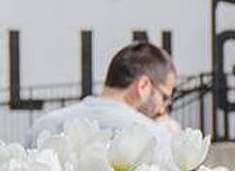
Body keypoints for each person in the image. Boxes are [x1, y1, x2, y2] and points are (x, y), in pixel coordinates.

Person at [31, 42, 179, 161]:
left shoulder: (44, 126)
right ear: (143, 85)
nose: (163, 108)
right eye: (165, 97)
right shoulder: (155, 138)